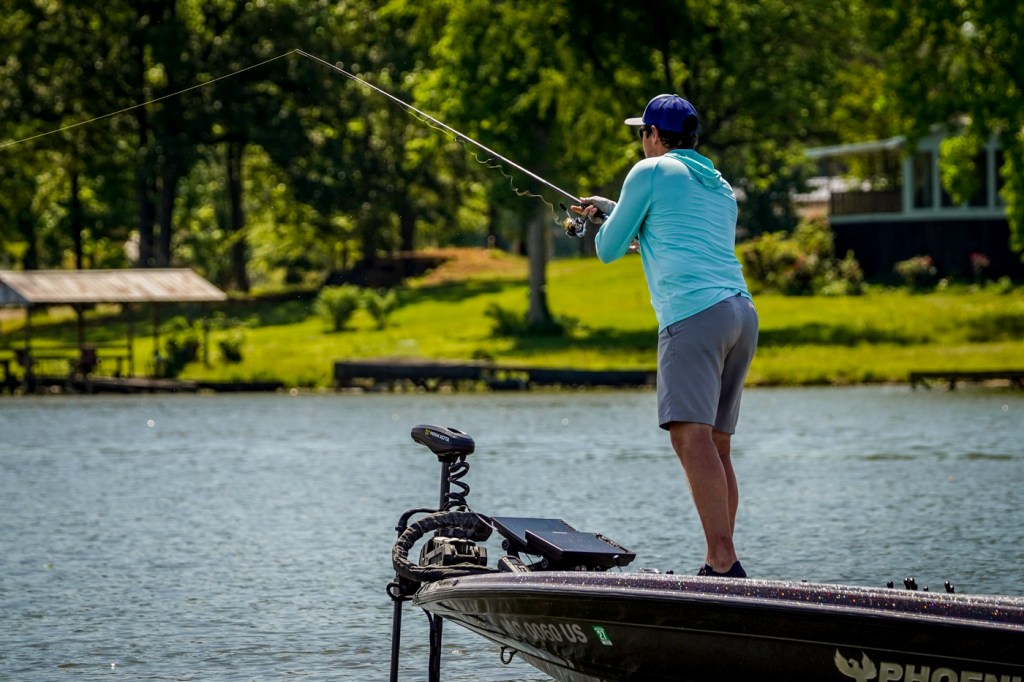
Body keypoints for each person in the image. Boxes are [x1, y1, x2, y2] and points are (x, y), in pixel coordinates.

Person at [573, 94, 758, 578]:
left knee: (689, 438)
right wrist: (617, 210)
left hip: (694, 315)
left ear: (654, 135)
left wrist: (604, 220)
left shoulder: (649, 171)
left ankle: (723, 562)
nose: (642, 141)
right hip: (740, 314)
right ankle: (722, 558)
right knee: (716, 444)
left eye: (642, 133)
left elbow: (609, 248)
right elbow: (670, 231)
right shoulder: (718, 184)